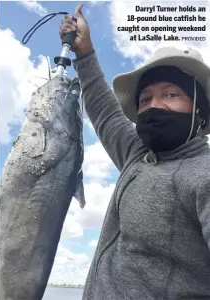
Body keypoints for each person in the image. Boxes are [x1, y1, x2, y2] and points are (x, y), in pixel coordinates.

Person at [60, 4, 210, 300]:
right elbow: (106, 111)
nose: (154, 105)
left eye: (171, 94)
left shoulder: (204, 174)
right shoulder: (135, 154)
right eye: (144, 99)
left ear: (199, 110)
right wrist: (85, 51)